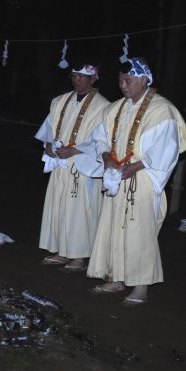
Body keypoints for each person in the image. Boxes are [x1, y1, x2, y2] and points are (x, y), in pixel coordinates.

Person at [86, 58, 186, 306]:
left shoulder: (161, 110)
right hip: (117, 177)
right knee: (112, 227)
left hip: (141, 181)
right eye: (120, 80)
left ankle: (140, 287)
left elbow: (166, 148)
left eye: (128, 80)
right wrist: (107, 158)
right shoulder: (115, 109)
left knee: (139, 232)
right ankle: (115, 277)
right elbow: (100, 138)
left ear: (144, 80)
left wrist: (136, 166)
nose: (123, 85)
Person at [34, 64, 109, 272]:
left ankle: (79, 257)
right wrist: (48, 145)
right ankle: (61, 250)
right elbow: (48, 129)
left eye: (83, 76)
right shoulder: (60, 101)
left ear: (94, 79)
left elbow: (103, 140)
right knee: (58, 206)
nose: (77, 80)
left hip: (82, 166)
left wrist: (75, 151)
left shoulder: (103, 107)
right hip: (60, 164)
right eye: (74, 76)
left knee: (80, 211)